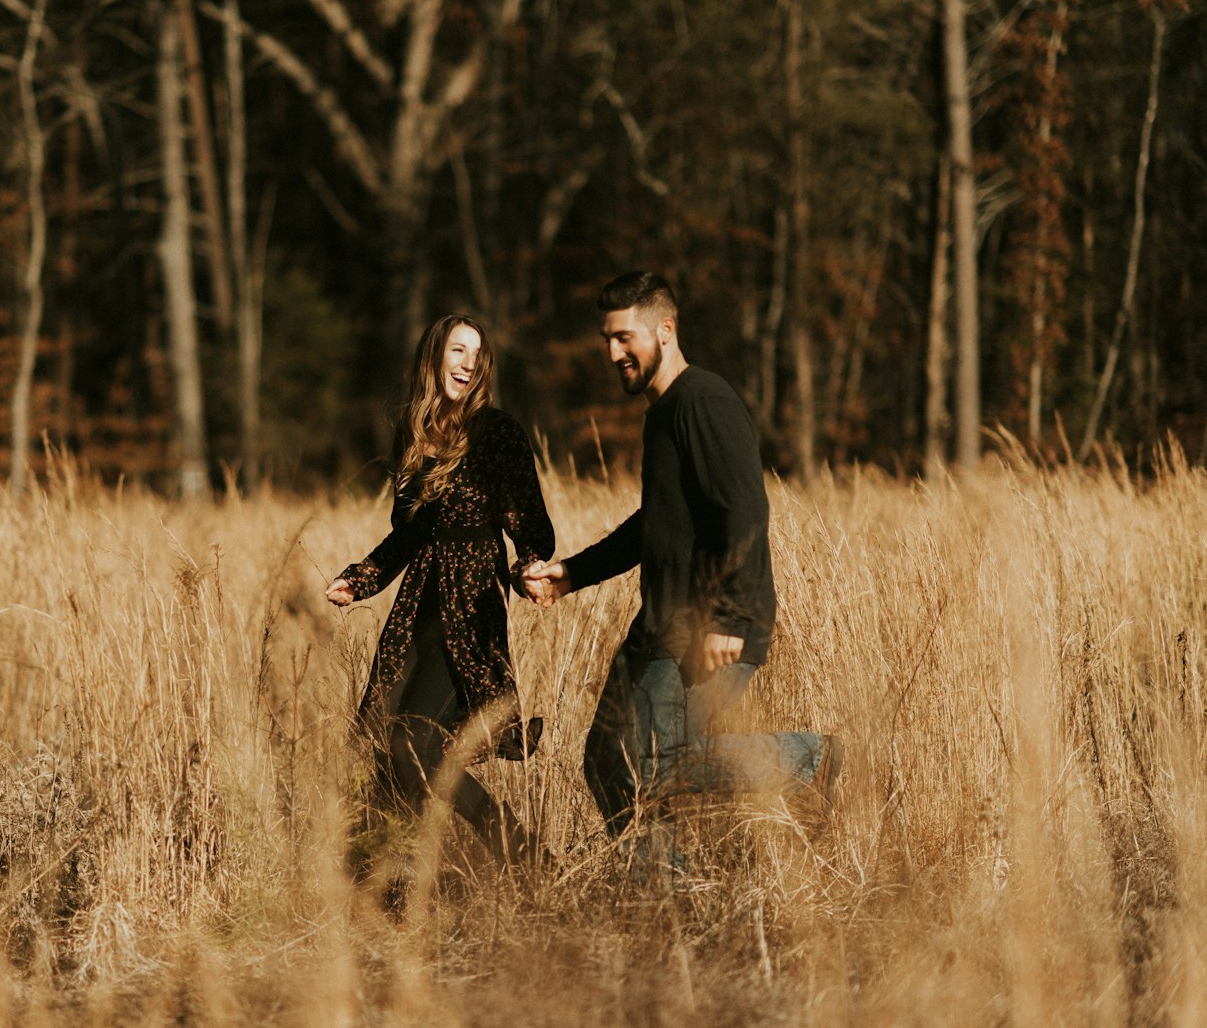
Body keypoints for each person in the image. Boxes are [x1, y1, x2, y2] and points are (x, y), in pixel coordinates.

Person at [522, 271, 838, 838]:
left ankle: (815, 759)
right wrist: (572, 574)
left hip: (707, 628)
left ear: (664, 331)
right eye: (607, 340)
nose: (614, 352)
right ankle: (658, 901)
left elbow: (742, 511)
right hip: (661, 626)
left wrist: (726, 618)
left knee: (644, 763)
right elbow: (656, 526)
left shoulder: (703, 401)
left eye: (625, 338)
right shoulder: (663, 414)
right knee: (605, 761)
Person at [326, 314, 555, 864]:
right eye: (457, 349)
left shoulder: (497, 433)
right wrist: (359, 579)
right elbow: (406, 537)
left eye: (476, 353)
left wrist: (529, 563)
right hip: (416, 610)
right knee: (381, 749)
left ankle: (525, 854)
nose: (468, 362)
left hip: (470, 607)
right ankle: (388, 885)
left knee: (417, 747)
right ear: (435, 357)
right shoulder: (414, 436)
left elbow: (534, 524)